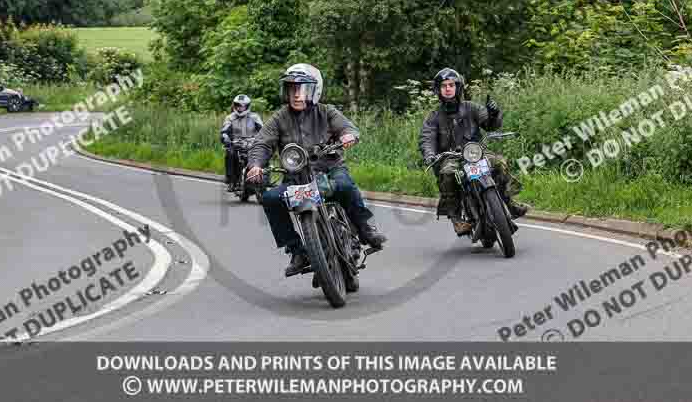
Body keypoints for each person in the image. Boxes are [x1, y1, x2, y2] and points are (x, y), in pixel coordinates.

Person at [246, 64, 387, 276]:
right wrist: (255, 165)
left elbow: (347, 127)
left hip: (330, 170)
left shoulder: (326, 111)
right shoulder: (279, 118)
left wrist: (347, 135)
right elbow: (262, 143)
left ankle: (365, 229)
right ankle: (296, 250)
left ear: (314, 90)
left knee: (345, 185)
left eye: (301, 88)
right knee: (270, 198)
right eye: (292, 88)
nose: (296, 94)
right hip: (296, 178)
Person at [418, 68, 529, 235]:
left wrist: (493, 114)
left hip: (477, 153)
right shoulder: (434, 116)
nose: (448, 88)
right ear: (438, 90)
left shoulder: (471, 108)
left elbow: (490, 125)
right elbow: (427, 138)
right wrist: (429, 155)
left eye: (451, 85)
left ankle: (509, 203)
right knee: (447, 174)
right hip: (452, 158)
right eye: (444, 86)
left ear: (458, 87)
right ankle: (456, 219)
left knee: (499, 162)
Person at [220, 94, 263, 191]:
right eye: (238, 105)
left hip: (252, 143)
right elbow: (224, 131)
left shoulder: (254, 117)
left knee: (263, 154)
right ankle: (231, 180)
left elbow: (263, 130)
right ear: (234, 106)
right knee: (230, 153)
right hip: (236, 143)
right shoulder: (230, 118)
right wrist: (225, 137)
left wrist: (263, 139)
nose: (240, 108)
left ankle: (264, 178)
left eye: (242, 105)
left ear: (247, 106)